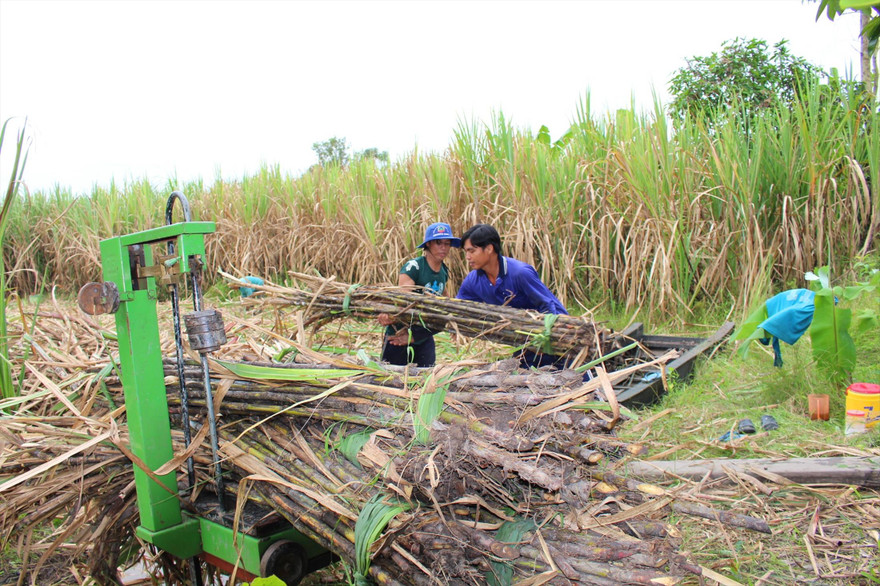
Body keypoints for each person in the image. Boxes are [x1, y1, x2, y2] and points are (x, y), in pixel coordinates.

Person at [456, 223, 569, 368]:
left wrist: (544, 339)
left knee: (572, 377)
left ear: (489, 248)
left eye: (472, 251)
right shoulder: (473, 280)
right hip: (523, 338)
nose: (467, 257)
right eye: (466, 252)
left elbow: (547, 306)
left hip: (554, 333)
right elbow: (460, 306)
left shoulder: (520, 273)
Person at [377, 222, 461, 367]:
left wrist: (454, 321)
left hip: (423, 335)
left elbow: (444, 298)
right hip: (399, 335)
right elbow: (402, 300)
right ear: (428, 244)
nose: (443, 247)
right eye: (438, 243)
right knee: (392, 380)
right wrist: (387, 314)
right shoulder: (414, 268)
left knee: (425, 380)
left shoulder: (444, 271)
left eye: (447, 244)